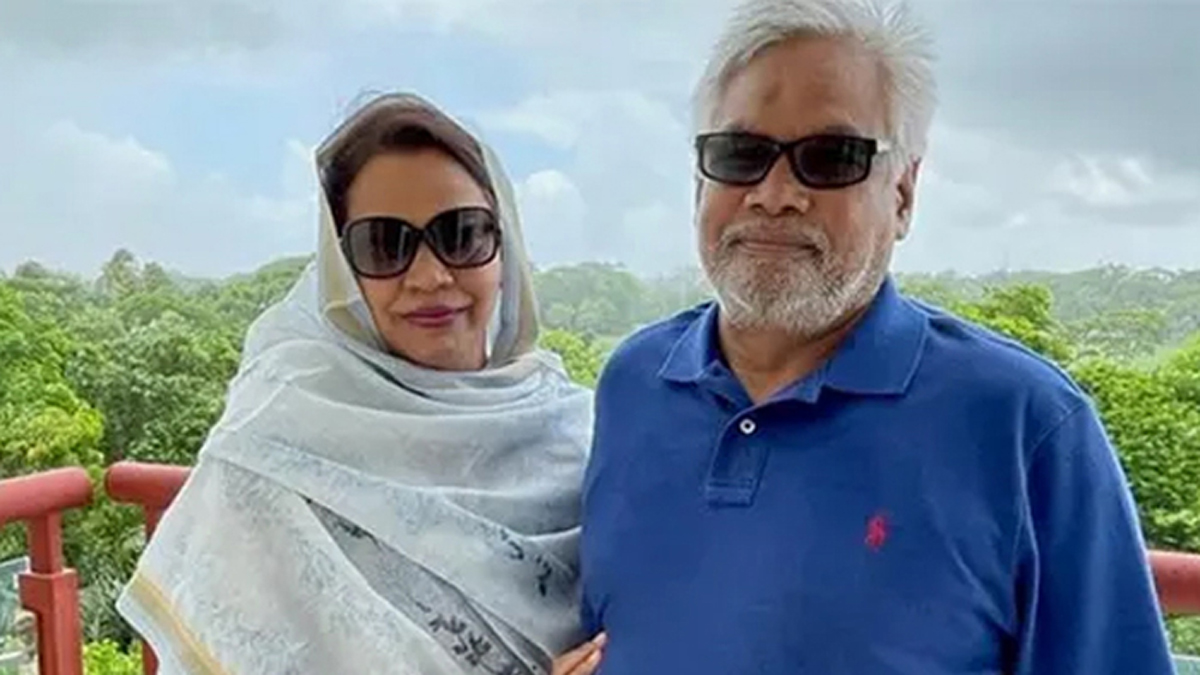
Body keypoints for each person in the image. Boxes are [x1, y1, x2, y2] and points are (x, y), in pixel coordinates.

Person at [578, 0, 1176, 673]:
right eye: (740, 155)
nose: (775, 194)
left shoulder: (1022, 424)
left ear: (903, 193)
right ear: (699, 180)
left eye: (831, 158)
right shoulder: (635, 384)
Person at [116, 93, 605, 675]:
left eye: (462, 234)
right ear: (342, 270)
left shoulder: (577, 433)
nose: (429, 275)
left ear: (505, 247)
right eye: (384, 245)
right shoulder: (276, 442)